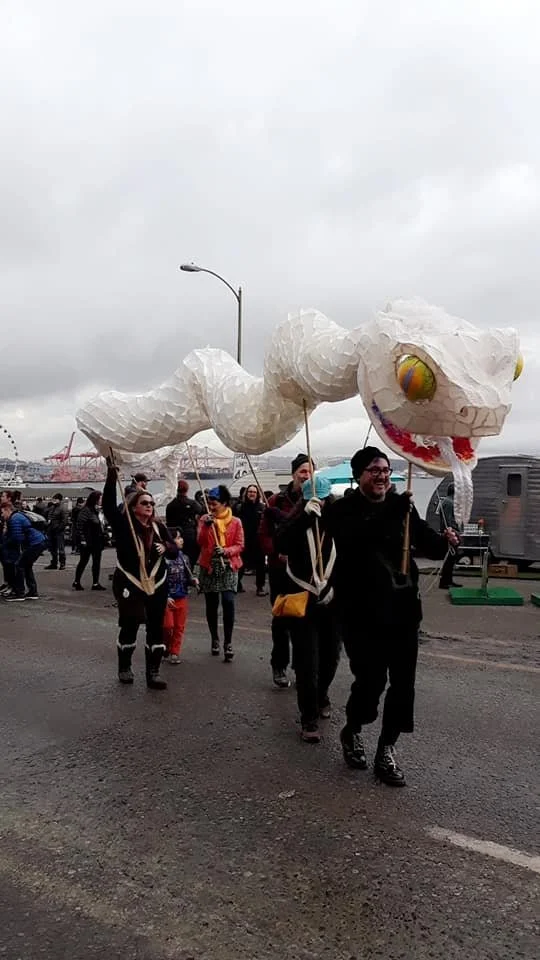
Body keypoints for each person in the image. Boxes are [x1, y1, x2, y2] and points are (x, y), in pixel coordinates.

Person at [326, 447, 459, 787]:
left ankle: (386, 749)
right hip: (361, 614)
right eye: (374, 470)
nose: (383, 476)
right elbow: (356, 542)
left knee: (403, 686)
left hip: (402, 612)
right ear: (359, 476)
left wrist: (445, 543)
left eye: (386, 469)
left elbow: (427, 545)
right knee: (370, 684)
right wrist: (396, 509)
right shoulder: (342, 511)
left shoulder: (403, 507)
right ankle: (353, 728)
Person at [102, 459, 177, 689]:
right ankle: (124, 667)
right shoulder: (125, 525)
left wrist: (167, 547)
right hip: (130, 581)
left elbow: (174, 550)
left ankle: (153, 673)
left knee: (157, 626)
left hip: (157, 582)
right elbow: (107, 506)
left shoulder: (158, 527)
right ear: (134, 505)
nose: (149, 506)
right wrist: (111, 474)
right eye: (145, 502)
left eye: (152, 503)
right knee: (131, 623)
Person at [277, 475, 341, 742]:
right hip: (302, 601)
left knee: (330, 658)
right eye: (316, 498)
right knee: (307, 662)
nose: (321, 503)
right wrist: (303, 517)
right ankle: (309, 717)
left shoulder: (338, 523)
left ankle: (322, 693)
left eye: (325, 499)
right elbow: (280, 544)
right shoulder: (295, 522)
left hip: (332, 602)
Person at [259, 454, 314, 688]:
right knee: (281, 618)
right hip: (281, 570)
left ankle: (304, 668)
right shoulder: (276, 501)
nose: (307, 475)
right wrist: (276, 551)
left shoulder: (317, 499)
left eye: (311, 471)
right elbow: (263, 535)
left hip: (308, 574)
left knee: (307, 622)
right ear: (293, 474)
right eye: (303, 471)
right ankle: (279, 664)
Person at [197, 485, 244, 662]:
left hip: (229, 565)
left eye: (214, 503)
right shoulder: (204, 519)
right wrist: (206, 527)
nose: (210, 506)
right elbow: (200, 542)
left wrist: (226, 551)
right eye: (208, 503)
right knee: (211, 604)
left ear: (224, 503)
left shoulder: (236, 522)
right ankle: (214, 638)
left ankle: (228, 642)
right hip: (209, 566)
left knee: (228, 601)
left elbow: (240, 545)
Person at [162, 529, 199, 664]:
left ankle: (175, 652)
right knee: (168, 626)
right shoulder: (163, 559)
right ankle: (165, 645)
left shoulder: (184, 558)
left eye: (181, 537)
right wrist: (165, 596)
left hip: (181, 596)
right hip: (167, 598)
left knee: (179, 627)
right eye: (178, 538)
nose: (181, 540)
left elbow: (187, 576)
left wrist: (193, 581)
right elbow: (159, 580)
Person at [0, 500, 47, 600]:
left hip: (35, 543)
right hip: (39, 541)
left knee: (19, 565)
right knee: (27, 566)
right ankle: (32, 592)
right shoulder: (18, 516)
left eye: (2, 512)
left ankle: (19, 592)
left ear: (7, 510)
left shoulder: (14, 519)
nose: (2, 515)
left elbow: (16, 538)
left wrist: (4, 545)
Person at [72, 491, 106, 591]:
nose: (101, 500)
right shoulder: (86, 511)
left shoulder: (98, 511)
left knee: (96, 562)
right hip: (88, 540)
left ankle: (95, 582)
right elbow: (80, 526)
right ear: (95, 499)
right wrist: (82, 539)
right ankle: (77, 581)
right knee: (84, 561)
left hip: (97, 540)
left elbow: (101, 525)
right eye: (100, 498)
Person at [237, 484, 267, 596]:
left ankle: (260, 587)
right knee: (240, 564)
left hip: (258, 540)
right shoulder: (239, 507)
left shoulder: (262, 508)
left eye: (254, 492)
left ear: (257, 494)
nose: (252, 494)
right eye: (250, 491)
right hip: (243, 539)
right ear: (246, 493)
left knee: (260, 565)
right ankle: (237, 584)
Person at [165, 479, 202, 568]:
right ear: (187, 489)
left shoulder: (170, 505)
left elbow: (168, 521)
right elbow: (201, 510)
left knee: (176, 557)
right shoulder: (193, 504)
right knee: (191, 557)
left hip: (174, 535)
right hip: (189, 534)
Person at [437, 483, 461, 589]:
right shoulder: (449, 502)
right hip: (451, 533)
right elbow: (447, 521)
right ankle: (445, 582)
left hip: (452, 532)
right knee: (450, 559)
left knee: (451, 559)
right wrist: (451, 533)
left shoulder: (448, 502)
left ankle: (448, 580)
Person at [45, 493, 68, 570]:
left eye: (55, 499)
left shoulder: (63, 508)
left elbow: (64, 521)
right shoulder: (52, 507)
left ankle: (62, 563)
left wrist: (59, 528)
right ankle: (54, 563)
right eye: (53, 499)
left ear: (59, 500)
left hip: (58, 531)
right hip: (51, 530)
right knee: (52, 548)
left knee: (61, 548)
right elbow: (49, 516)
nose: (54, 500)